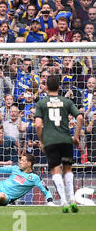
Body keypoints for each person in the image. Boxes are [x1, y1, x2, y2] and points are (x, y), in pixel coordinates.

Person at [35, 74, 84, 213]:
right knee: (68, 169)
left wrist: (42, 141)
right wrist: (76, 137)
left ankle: (63, 201)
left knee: (56, 170)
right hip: (66, 140)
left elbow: (38, 125)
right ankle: (73, 199)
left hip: (51, 141)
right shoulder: (66, 101)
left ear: (46, 87)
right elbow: (80, 117)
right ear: (59, 86)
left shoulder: (41, 103)